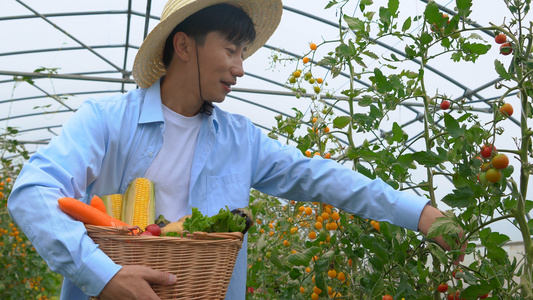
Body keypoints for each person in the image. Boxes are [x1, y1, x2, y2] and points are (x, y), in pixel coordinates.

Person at [7, 0, 462, 299]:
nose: (240, 68)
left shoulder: (240, 139)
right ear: (184, 46)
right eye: (231, 50)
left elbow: (318, 176)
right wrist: (103, 276)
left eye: (243, 53)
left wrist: (418, 213)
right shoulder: (106, 120)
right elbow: (33, 192)